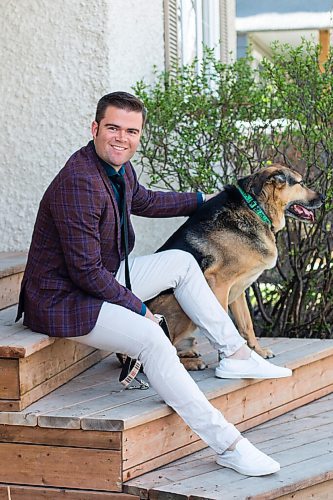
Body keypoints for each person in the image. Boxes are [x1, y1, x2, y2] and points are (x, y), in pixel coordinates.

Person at [17, 91, 291, 477]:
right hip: (62, 299)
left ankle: (236, 354)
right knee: (152, 340)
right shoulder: (78, 183)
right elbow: (85, 274)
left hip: (100, 278)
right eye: (112, 128)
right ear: (95, 129)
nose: (121, 138)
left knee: (180, 262)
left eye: (131, 131)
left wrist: (203, 199)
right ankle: (229, 445)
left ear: (139, 135)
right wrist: (141, 310)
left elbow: (144, 200)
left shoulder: (118, 169)